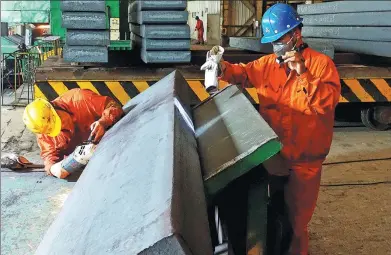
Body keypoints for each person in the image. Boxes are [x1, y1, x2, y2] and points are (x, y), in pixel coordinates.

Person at [214, 3, 341, 255]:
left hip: (304, 162)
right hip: (273, 156)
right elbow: (242, 73)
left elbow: (326, 104)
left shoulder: (321, 66)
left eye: (280, 39)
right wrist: (221, 67)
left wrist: (303, 74)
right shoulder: (267, 65)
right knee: (269, 214)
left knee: (295, 225)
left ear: (296, 34)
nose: (277, 46)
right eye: (273, 41)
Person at [23, 88, 124, 178]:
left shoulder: (80, 99)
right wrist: (55, 169)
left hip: (116, 146)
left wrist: (103, 122)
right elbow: (49, 156)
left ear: (55, 108)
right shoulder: (44, 131)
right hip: (91, 168)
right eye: (56, 130)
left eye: (60, 122)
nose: (62, 128)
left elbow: (114, 106)